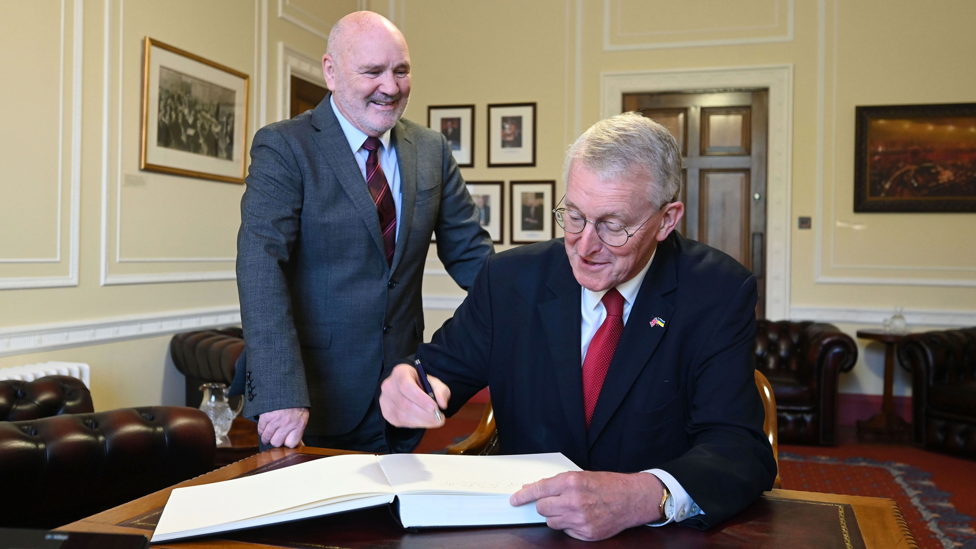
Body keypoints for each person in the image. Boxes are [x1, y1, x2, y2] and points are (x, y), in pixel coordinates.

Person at [380, 112, 776, 541]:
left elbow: (739, 450)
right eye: (574, 216)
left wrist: (645, 495)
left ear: (666, 219)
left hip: (649, 535)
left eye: (613, 225)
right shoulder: (510, 279)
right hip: (526, 530)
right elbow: (438, 371)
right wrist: (409, 383)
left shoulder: (717, 292)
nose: (585, 246)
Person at [235, 11, 493, 453]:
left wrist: (547, 303)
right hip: (308, 401)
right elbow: (260, 267)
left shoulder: (431, 150)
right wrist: (281, 394)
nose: (390, 87)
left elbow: (474, 257)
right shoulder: (285, 146)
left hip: (400, 393)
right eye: (372, 72)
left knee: (392, 522)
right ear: (331, 72)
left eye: (401, 71)